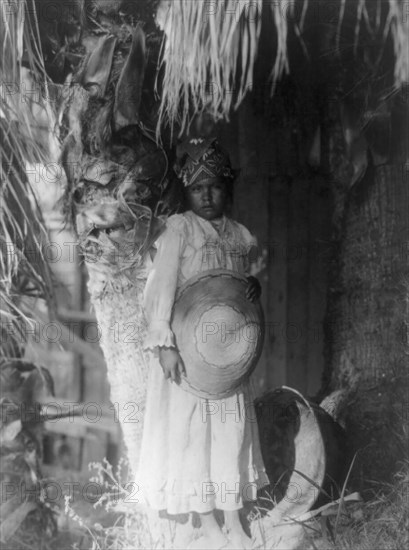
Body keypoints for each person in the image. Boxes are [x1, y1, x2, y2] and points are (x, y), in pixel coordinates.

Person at [137, 138, 268, 549]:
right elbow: (160, 290)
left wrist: (252, 286)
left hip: (226, 355)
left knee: (231, 431)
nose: (207, 195)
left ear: (227, 188)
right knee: (194, 434)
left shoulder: (236, 235)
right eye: (197, 188)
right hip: (189, 354)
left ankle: (233, 517)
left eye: (214, 186)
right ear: (186, 192)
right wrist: (165, 345)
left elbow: (233, 286)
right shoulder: (180, 229)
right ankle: (207, 518)